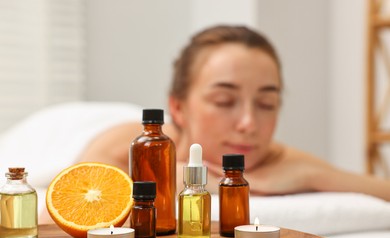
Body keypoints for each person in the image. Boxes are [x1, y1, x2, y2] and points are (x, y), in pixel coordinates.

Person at [79, 25, 390, 201]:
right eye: (225, 101)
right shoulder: (133, 144)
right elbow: (71, 203)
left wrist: (313, 176)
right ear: (177, 107)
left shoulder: (278, 158)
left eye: (267, 104)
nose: (249, 124)